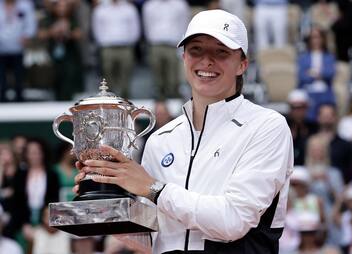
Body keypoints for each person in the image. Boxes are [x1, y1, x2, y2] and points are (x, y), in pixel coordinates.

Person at [75, 9, 293, 253]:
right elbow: (153, 239)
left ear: (242, 64)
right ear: (184, 58)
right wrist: (108, 195)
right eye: (196, 50)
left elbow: (233, 221)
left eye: (221, 51)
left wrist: (153, 188)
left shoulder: (266, 126)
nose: (206, 61)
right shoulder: (160, 139)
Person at [142, 0, 190, 100]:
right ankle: (159, 100)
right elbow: (147, 25)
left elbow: (184, 25)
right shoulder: (150, 5)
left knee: (173, 76)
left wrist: (181, 45)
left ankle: (174, 100)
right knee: (157, 75)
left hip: (173, 45)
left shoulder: (180, 4)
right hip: (155, 45)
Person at [297, 27, 336, 122]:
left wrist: (312, 73)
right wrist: (320, 74)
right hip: (308, 90)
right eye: (313, 37)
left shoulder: (329, 56)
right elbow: (302, 76)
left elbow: (330, 73)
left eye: (318, 37)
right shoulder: (303, 57)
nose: (316, 40)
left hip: (325, 91)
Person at [0, 0, 37, 102]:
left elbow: (31, 24)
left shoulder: (25, 5)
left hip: (18, 48)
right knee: (1, 79)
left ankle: (19, 99)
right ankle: (2, 99)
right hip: (1, 48)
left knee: (19, 77)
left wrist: (27, 35)